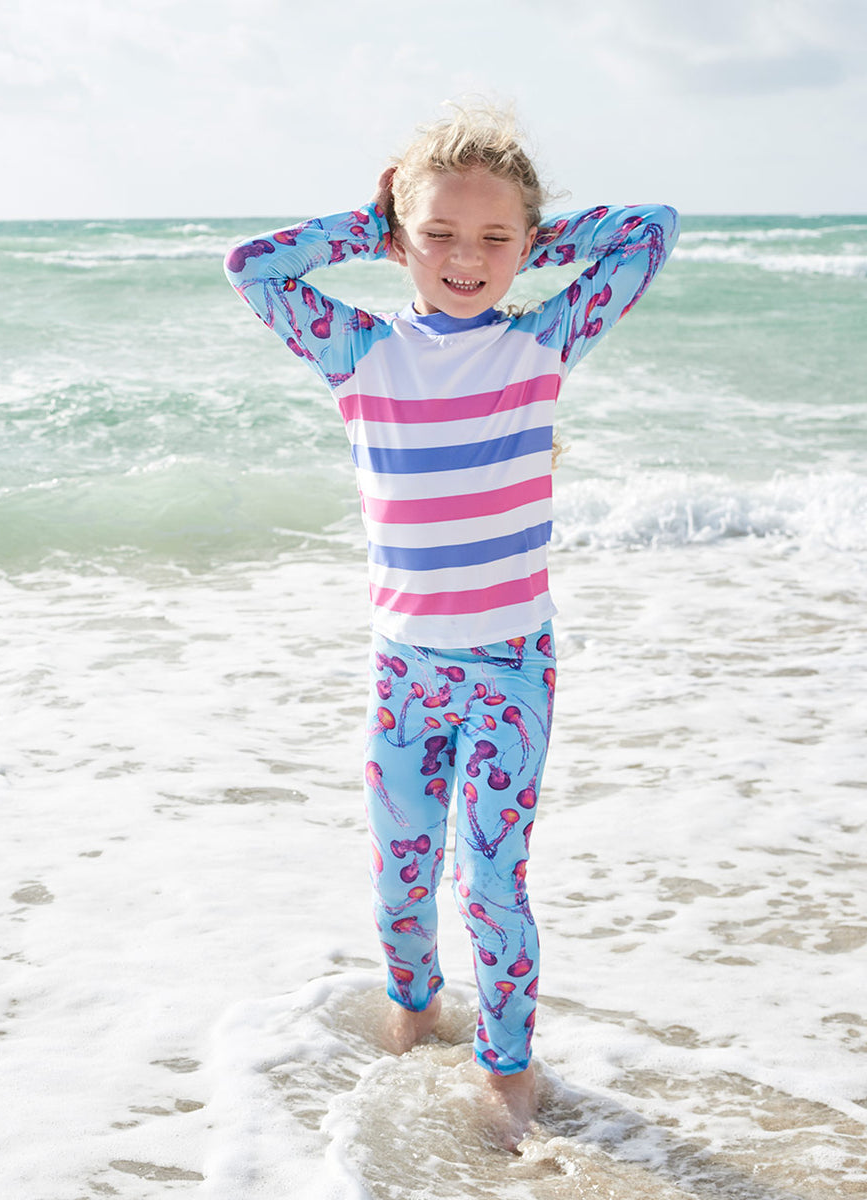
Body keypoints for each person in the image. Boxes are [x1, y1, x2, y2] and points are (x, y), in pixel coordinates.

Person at [224, 102, 678, 1148]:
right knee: (399, 873)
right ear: (400, 239)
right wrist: (372, 219)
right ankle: (414, 1012)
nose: (466, 257)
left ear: (523, 245)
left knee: (490, 882)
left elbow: (653, 227)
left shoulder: (542, 339)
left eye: (494, 238)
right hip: (405, 668)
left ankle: (507, 1067)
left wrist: (534, 229)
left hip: (511, 666)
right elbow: (252, 266)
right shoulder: (359, 353)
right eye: (439, 233)